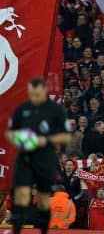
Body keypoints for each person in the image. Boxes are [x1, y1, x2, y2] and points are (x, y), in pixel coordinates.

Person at [5, 78, 72, 234]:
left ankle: (43, 230)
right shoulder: (22, 109)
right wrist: (20, 139)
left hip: (45, 158)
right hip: (25, 157)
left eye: (37, 93)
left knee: (43, 198)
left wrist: (45, 140)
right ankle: (16, 230)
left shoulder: (55, 110)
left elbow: (66, 136)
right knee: (21, 193)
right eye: (31, 93)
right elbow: (10, 132)